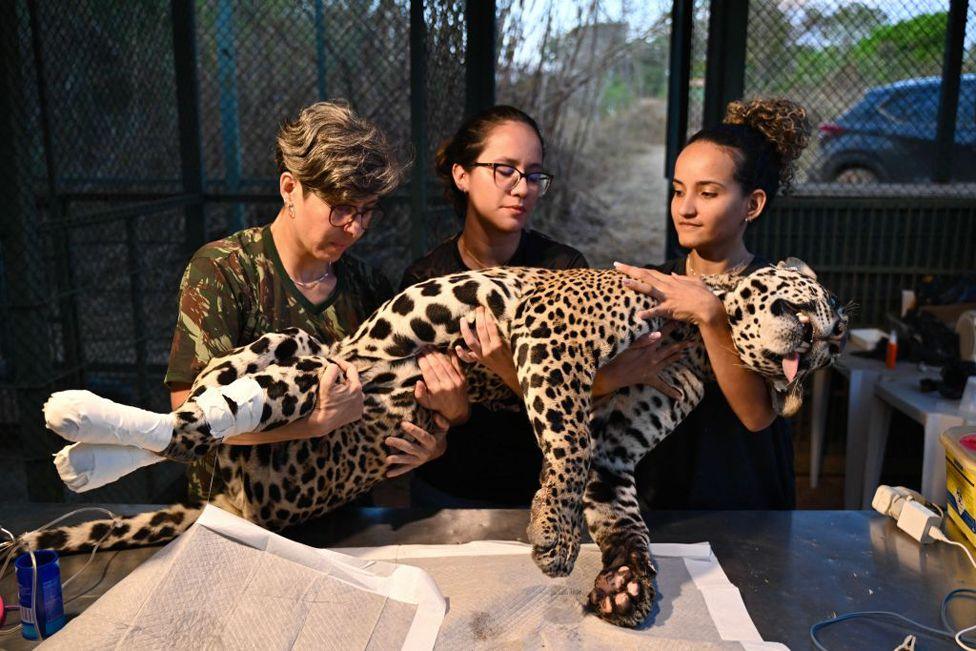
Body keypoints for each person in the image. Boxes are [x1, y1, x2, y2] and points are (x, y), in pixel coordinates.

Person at [400, 105, 688, 507]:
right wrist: (462, 407)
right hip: (448, 488)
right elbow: (422, 407)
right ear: (461, 175)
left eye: (534, 174)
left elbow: (586, 401)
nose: (522, 188)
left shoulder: (565, 268)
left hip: (542, 492)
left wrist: (504, 368)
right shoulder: (426, 282)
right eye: (505, 170)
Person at [165, 101, 448, 502]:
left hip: (339, 507)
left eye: (367, 212)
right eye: (341, 208)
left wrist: (435, 442)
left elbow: (398, 403)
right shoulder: (224, 270)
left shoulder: (369, 286)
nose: (354, 228)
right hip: (236, 513)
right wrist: (313, 424)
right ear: (289, 188)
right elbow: (184, 416)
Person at [614, 97, 812, 510]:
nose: (685, 208)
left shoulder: (784, 296)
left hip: (747, 506)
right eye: (678, 191)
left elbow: (758, 415)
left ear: (752, 205)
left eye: (707, 193)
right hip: (657, 500)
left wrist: (711, 314)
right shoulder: (652, 282)